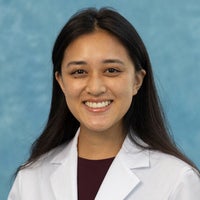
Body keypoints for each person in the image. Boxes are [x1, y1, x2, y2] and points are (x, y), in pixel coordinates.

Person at [8, 7, 200, 200]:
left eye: (111, 70)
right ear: (61, 82)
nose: (95, 87)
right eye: (79, 72)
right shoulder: (31, 180)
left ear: (137, 81)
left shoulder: (177, 181)